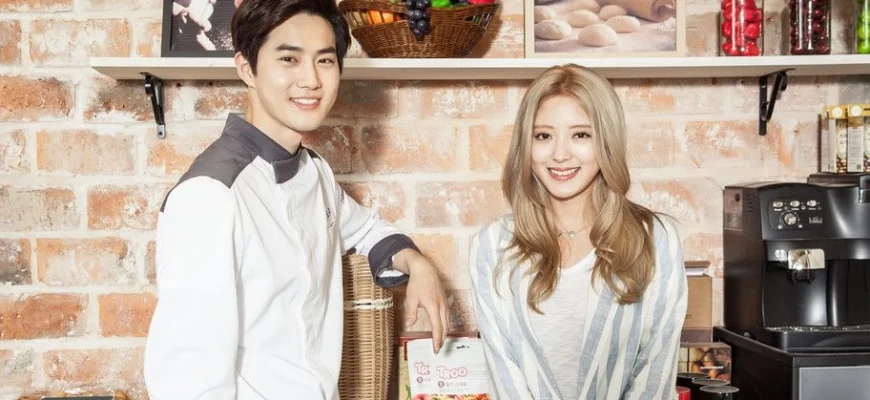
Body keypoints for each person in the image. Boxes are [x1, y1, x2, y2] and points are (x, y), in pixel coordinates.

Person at [143, 0, 449, 398]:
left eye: (325, 61)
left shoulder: (313, 170)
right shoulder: (210, 194)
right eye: (289, 59)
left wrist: (418, 264)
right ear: (247, 69)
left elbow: (366, 230)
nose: (311, 80)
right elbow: (188, 381)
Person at [469, 64, 687, 400]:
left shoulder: (657, 238)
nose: (560, 154)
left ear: (606, 141)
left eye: (581, 135)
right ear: (525, 144)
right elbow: (505, 375)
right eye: (543, 136)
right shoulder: (492, 245)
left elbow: (654, 374)